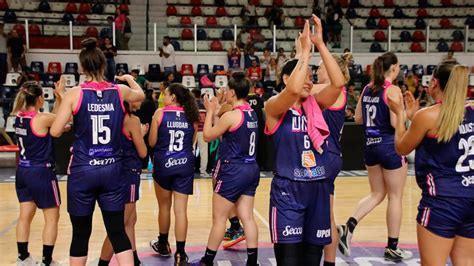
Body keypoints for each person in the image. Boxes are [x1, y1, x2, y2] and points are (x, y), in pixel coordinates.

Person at [50, 38, 145, 266]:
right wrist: (131, 79)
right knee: (117, 231)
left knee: (81, 234)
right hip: (113, 169)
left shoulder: (75, 94)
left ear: (82, 68)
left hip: (83, 170)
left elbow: (54, 131)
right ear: (104, 66)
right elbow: (140, 95)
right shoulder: (119, 90)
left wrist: (63, 104)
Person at [265, 16, 345, 265]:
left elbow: (339, 83)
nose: (310, 80)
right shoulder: (274, 107)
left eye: (312, 76)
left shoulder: (316, 105)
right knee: (289, 260)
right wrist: (305, 53)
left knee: (312, 259)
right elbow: (290, 91)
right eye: (304, 75)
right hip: (289, 191)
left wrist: (320, 44)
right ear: (287, 78)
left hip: (318, 188)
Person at [387, 61, 474, 266]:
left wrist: (400, 115)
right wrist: (412, 117)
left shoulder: (427, 116)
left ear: (434, 82)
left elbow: (401, 148)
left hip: (442, 202)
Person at [338, 52, 412, 261]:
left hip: (370, 145)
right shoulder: (393, 90)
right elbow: (393, 121)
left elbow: (359, 118)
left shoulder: (368, 89)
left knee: (376, 193)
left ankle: (349, 225)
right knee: (395, 196)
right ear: (394, 68)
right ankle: (392, 247)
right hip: (390, 145)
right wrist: (405, 113)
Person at [191, 72, 260, 266]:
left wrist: (210, 111)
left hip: (233, 169)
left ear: (231, 92)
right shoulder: (251, 112)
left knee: (219, 219)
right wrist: (218, 107)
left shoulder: (231, 116)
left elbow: (207, 136)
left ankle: (207, 261)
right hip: (251, 168)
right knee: (247, 216)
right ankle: (252, 262)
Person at [13, 78, 65, 266]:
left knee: (25, 215)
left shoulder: (19, 116)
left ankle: (22, 258)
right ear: (40, 99)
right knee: (52, 217)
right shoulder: (42, 119)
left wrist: (58, 100)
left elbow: (52, 120)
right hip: (41, 172)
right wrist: (61, 96)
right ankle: (47, 261)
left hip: (23, 171)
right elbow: (59, 124)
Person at [148, 83, 199, 265]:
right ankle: (180, 254)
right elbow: (192, 143)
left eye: (166, 94)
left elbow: (152, 142)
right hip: (184, 165)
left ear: (173, 97)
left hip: (163, 164)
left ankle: (162, 245)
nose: (164, 97)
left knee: (164, 207)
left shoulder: (159, 114)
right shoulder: (191, 116)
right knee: (181, 211)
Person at [312, 52, 351, 266]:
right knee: (325, 215)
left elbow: (302, 89)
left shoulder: (335, 91)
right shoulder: (330, 91)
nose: (317, 71)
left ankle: (329, 261)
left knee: (325, 217)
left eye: (319, 67)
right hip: (326, 156)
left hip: (327, 157)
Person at [99, 101, 149, 266]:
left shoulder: (111, 116)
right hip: (128, 173)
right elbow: (142, 152)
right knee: (118, 227)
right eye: (136, 99)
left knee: (130, 220)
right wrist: (140, 135)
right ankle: (102, 263)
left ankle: (134, 259)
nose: (140, 103)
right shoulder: (132, 120)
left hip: (113, 171)